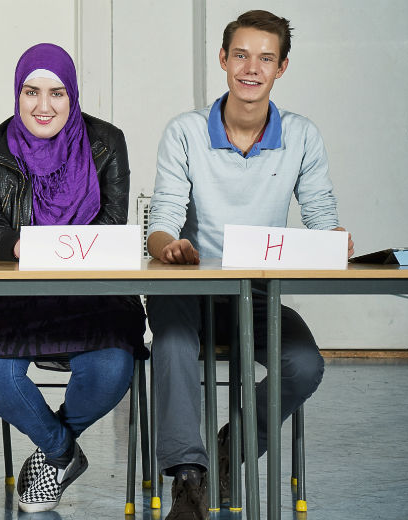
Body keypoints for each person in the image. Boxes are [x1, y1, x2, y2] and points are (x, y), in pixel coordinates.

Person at [146, 10, 354, 519]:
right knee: (171, 344)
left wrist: (335, 241)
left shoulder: (302, 136)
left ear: (282, 67)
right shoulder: (186, 132)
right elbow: (163, 219)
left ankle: (227, 449)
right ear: (223, 59)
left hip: (256, 290)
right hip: (187, 287)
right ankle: (188, 479)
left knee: (304, 364)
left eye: (265, 58)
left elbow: (323, 217)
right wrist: (168, 246)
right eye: (240, 55)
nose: (250, 68)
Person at [0, 43, 148, 512]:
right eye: (31, 92)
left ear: (73, 95)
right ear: (17, 93)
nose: (43, 106)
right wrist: (22, 247)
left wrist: (62, 254)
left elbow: (111, 222)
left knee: (112, 366)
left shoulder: (107, 142)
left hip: (90, 289)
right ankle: (62, 452)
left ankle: (48, 454)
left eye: (57, 93)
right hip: (14, 290)